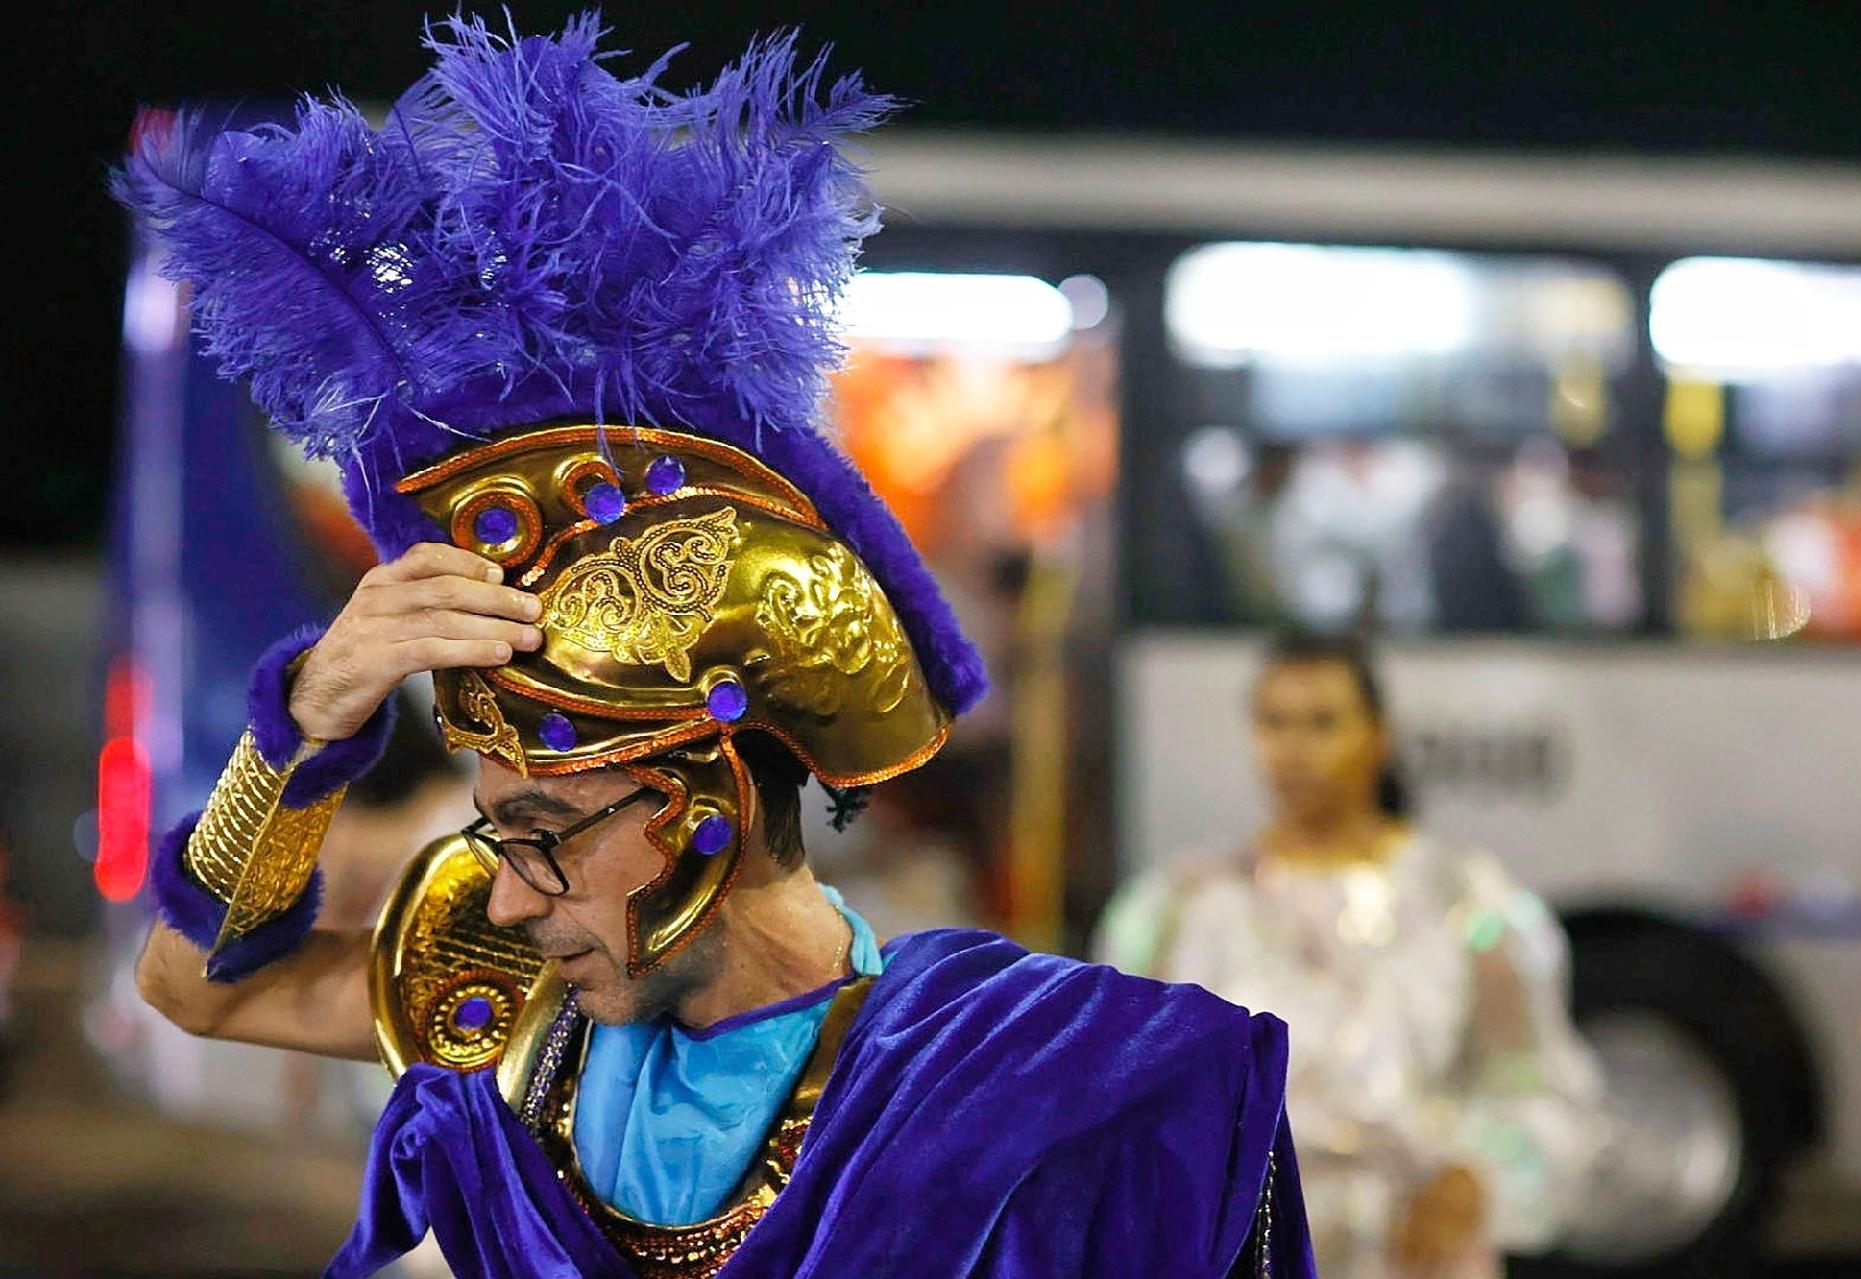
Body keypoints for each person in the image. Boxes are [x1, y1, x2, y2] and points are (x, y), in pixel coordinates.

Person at [114, 14, 1314, 1278]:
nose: (509, 897)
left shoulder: (1044, 1078)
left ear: (709, 806)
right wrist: (304, 722)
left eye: (542, 834)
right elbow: (190, 985)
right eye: (498, 833)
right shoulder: (515, 1026)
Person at [1098, 632, 1599, 1279]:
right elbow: (1125, 1097)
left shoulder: (1467, 899)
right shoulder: (1176, 908)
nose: (1295, 749)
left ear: (1378, 735)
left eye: (1322, 722)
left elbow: (1542, 1085)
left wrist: (1475, 1181)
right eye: (1274, 722)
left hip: (1417, 1251)